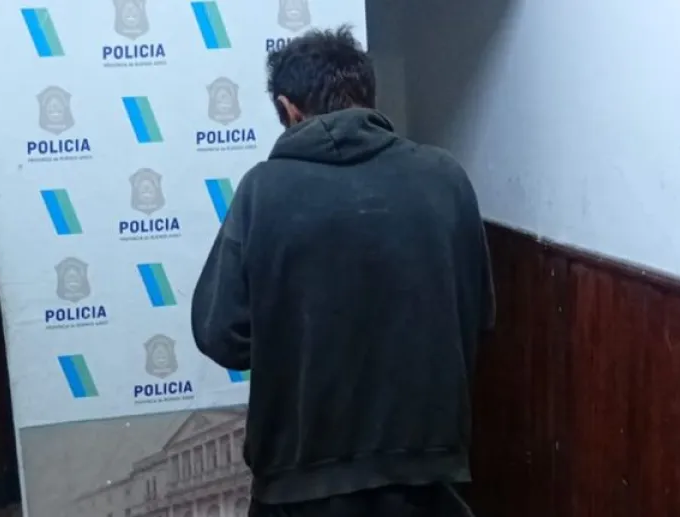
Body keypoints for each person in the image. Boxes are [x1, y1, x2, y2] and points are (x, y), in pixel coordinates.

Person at [191, 25, 495, 517]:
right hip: (427, 481)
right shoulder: (446, 179)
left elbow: (220, 334)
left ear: (289, 109)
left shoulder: (263, 192)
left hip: (298, 485)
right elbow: (477, 315)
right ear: (368, 98)